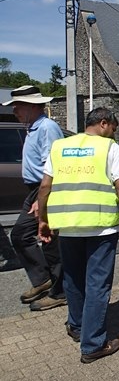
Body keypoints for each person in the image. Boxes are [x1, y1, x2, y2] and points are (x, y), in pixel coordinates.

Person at [38, 107, 119, 364]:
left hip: (68, 226)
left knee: (73, 279)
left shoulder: (59, 146)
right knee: (97, 284)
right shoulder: (109, 148)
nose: (113, 135)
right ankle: (93, 344)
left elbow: (45, 186)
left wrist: (43, 220)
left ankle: (77, 326)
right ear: (104, 123)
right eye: (113, 130)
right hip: (99, 226)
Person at [2, 85, 66, 310]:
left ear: (31, 106)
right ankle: (44, 281)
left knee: (43, 239)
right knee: (26, 237)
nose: (15, 111)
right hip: (36, 189)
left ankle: (59, 291)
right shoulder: (33, 127)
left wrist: (43, 199)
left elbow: (54, 165)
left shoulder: (47, 127)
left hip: (45, 188)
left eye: (17, 106)